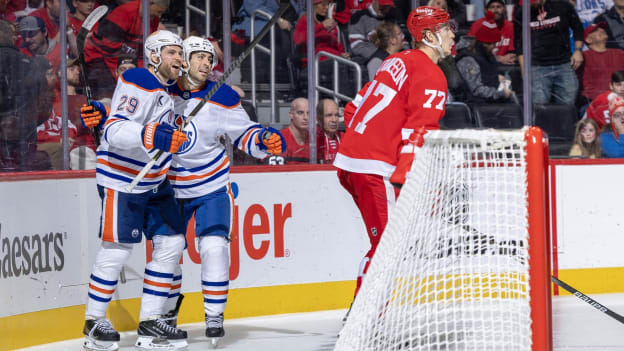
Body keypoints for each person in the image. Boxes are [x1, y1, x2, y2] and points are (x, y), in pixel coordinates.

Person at [166, 36, 285, 342]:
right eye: (200, 58)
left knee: (214, 248)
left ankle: (214, 317)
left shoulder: (222, 96)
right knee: (166, 253)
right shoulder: (162, 91)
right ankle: (164, 317)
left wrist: (262, 141)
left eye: (210, 59)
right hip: (167, 185)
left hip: (210, 184)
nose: (206, 64)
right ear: (185, 59)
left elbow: (244, 134)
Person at [334, 6, 453, 298]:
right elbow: (419, 134)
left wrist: (366, 143)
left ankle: (366, 319)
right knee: (388, 247)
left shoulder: (394, 61)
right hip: (377, 167)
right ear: (428, 35)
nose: (453, 35)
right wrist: (405, 180)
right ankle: (363, 324)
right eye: (447, 29)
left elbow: (353, 109)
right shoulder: (431, 73)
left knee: (387, 244)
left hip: (353, 163)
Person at [81, 30, 189, 351]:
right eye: (172, 52)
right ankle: (93, 321)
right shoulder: (140, 80)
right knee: (118, 249)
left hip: (155, 180)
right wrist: (152, 135)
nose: (178, 59)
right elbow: (114, 130)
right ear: (154, 55)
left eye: (180, 53)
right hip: (122, 179)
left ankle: (151, 323)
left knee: (171, 243)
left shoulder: (174, 90)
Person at [83, 0, 168, 100]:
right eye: (159, 12)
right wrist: (126, 77)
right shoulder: (124, 14)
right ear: (150, 3)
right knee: (109, 97)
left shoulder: (153, 18)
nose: (159, 16)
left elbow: (142, 52)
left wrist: (143, 75)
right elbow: (109, 52)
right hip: (98, 59)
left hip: (121, 59)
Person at [513, 0, 584, 105]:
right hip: (537, 66)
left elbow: (578, 28)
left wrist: (578, 50)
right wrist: (525, 70)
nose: (531, 5)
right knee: (539, 106)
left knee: (568, 103)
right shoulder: (522, 11)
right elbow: (519, 43)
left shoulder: (562, 5)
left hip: (564, 64)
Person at [456, 11, 512, 104]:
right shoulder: (468, 59)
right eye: (489, 43)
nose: (492, 46)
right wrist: (500, 93)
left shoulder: (488, 55)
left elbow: (496, 76)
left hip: (493, 101)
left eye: (494, 43)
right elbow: (476, 89)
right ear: (480, 42)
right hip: (478, 105)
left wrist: (504, 82)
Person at [577, 22, 624, 104]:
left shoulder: (619, 53)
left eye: (602, 28)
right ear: (588, 39)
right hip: (595, 102)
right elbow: (585, 87)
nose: (601, 30)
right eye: (595, 30)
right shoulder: (583, 57)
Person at [348, 0, 397, 65]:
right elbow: (356, 45)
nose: (384, 9)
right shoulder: (359, 17)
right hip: (368, 62)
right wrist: (381, 55)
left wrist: (403, 53)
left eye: (387, 6)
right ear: (374, 1)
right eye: (381, 5)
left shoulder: (391, 18)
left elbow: (402, 40)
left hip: (393, 61)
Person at [468, 0, 516, 65]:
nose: (495, 10)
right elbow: (470, 50)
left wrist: (507, 58)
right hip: (483, 65)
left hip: (505, 64)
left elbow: (513, 52)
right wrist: (497, 59)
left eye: (498, 7)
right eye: (492, 7)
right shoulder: (477, 25)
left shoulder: (510, 26)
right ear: (486, 10)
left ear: (504, 9)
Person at [278, 97, 310, 164]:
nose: (306, 117)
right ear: (291, 115)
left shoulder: (314, 140)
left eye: (308, 113)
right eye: (300, 113)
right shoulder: (278, 139)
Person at [316, 98, 343, 164]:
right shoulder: (313, 140)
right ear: (319, 119)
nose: (334, 120)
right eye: (329, 115)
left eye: (336, 115)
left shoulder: (344, 138)